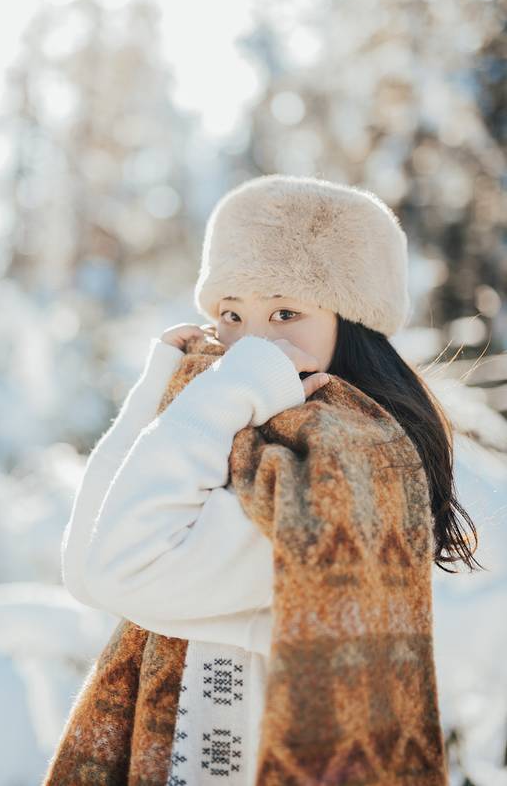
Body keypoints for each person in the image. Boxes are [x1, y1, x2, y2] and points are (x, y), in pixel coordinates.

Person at [60, 174, 480, 785]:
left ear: (353, 325)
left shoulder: (343, 466)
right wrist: (158, 393)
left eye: (286, 312)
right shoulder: (236, 440)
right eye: (231, 314)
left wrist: (220, 393)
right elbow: (83, 572)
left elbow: (114, 569)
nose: (251, 342)